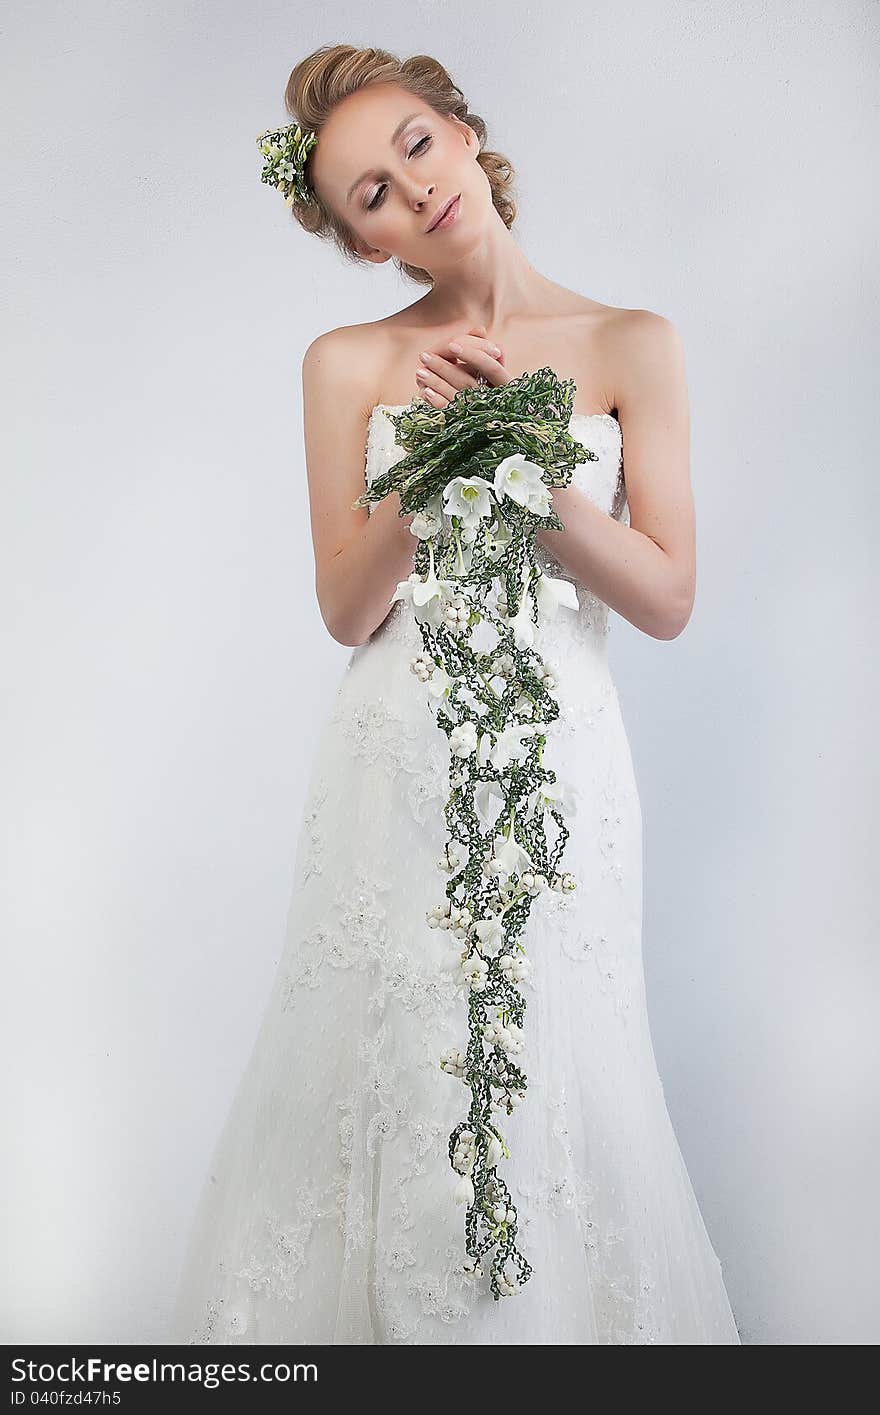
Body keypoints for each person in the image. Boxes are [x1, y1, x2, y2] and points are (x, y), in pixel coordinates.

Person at [168, 43, 741, 1345]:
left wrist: (527, 477)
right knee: (388, 1038)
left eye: (415, 145)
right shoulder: (345, 363)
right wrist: (434, 470)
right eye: (369, 192)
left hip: (563, 760)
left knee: (554, 1042)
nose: (410, 188)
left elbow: (664, 598)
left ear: (466, 133)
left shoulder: (631, 342)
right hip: (396, 767)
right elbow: (345, 609)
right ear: (360, 241)